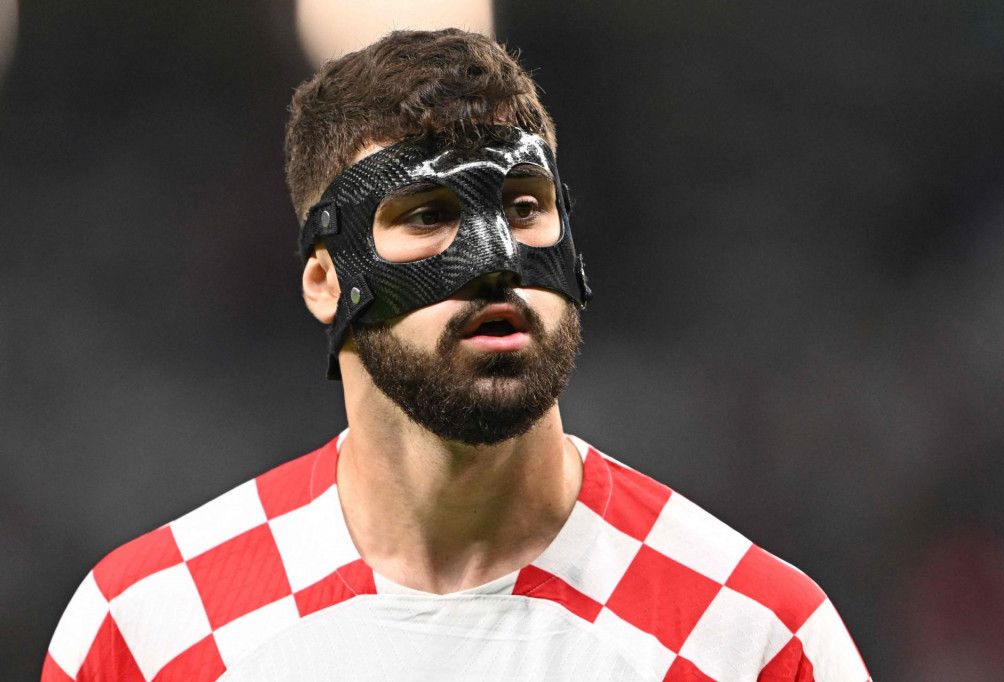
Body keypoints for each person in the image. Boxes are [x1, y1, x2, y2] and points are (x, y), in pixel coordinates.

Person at [42, 29, 871, 682]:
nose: (493, 256)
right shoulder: (148, 628)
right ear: (327, 281)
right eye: (428, 213)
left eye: (524, 204)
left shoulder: (756, 637)